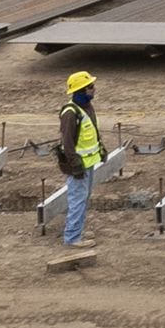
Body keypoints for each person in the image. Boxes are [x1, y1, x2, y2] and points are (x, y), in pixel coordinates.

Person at [54, 72, 105, 249]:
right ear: (80, 90)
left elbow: (91, 133)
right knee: (77, 200)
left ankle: (77, 231)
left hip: (88, 163)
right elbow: (67, 142)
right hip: (78, 166)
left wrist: (101, 148)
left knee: (83, 198)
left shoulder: (87, 107)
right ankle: (72, 238)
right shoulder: (70, 113)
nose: (94, 89)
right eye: (90, 87)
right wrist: (75, 164)